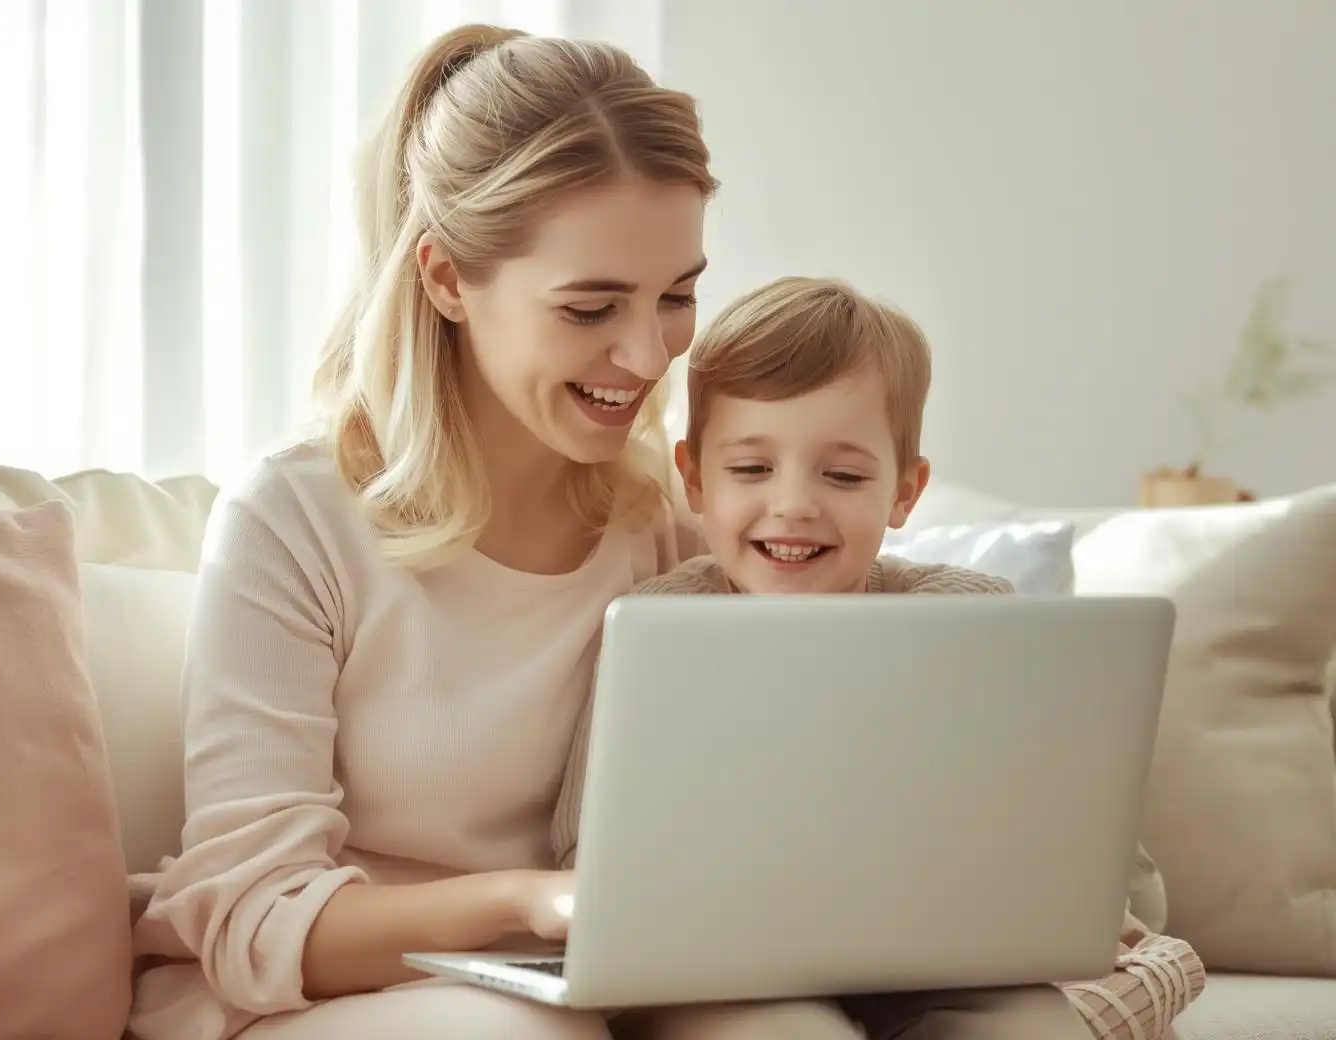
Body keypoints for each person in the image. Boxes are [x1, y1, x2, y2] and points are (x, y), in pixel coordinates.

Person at [127, 22, 879, 1040]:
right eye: (588, 307)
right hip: (332, 994)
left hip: (586, 969)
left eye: (677, 295)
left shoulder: (658, 522)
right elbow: (258, 914)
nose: (646, 351)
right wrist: (526, 903)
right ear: (446, 279)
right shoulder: (294, 517)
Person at [552, 276, 1207, 1039]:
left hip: (947, 967)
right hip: (725, 976)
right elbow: (579, 852)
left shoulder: (970, 617)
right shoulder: (655, 627)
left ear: (905, 490)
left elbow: (1078, 863)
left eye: (844, 475)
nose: (794, 504)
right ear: (694, 477)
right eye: (752, 469)